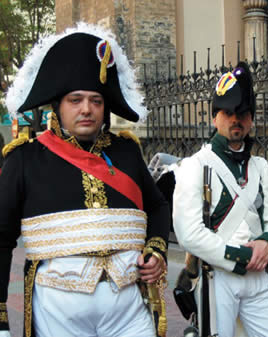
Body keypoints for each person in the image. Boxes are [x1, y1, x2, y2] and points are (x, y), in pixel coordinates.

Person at [0, 23, 170, 337]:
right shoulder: (24, 159)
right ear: (57, 105)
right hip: (59, 310)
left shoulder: (127, 153)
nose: (87, 109)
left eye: (95, 100)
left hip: (128, 308)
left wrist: (157, 250)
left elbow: (158, 207)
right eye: (75, 99)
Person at [172, 62, 268, 337]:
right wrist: (239, 256)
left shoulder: (260, 166)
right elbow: (188, 234)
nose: (235, 120)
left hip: (258, 275)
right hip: (217, 275)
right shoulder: (195, 165)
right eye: (228, 113)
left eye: (243, 113)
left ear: (250, 119)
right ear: (215, 118)